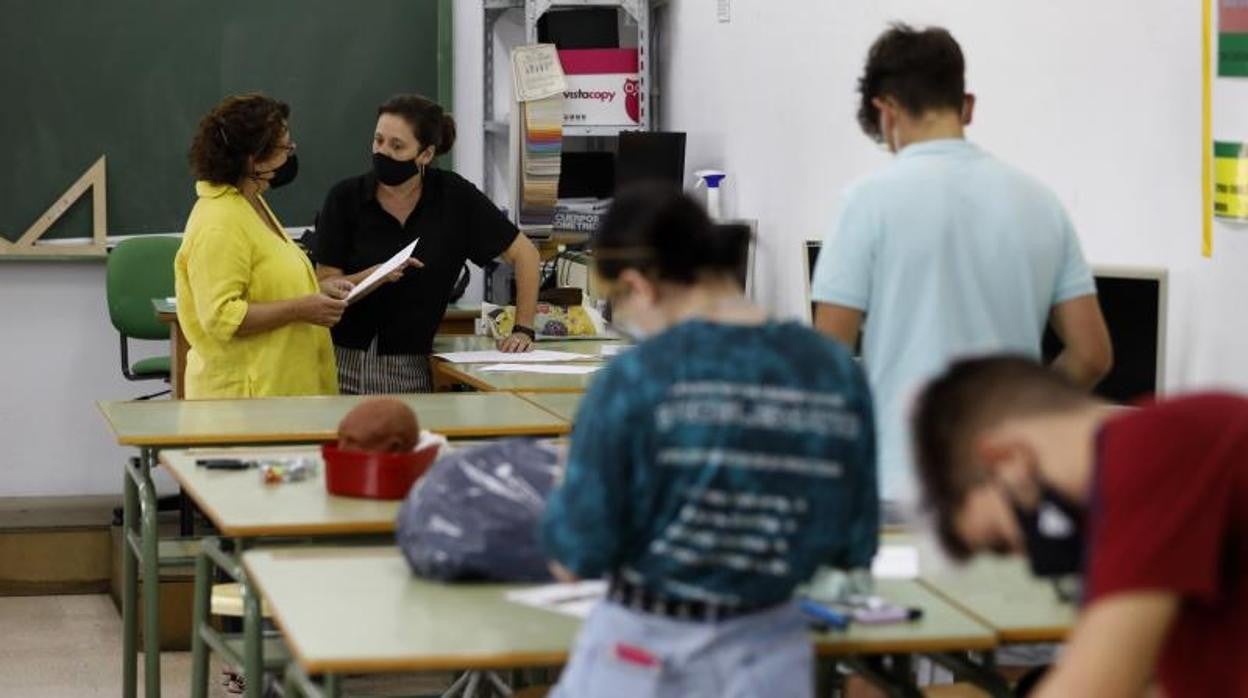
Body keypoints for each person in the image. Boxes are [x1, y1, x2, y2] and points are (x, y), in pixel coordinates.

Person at [540, 185, 878, 698]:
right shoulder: (835, 371)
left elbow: (577, 553)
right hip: (773, 657)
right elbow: (855, 545)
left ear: (638, 286)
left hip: (648, 657)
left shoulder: (636, 378)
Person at [811, 24, 1112, 505]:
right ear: (966, 106)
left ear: (886, 111)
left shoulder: (865, 204)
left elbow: (824, 363)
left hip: (902, 485)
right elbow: (1092, 354)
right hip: (1008, 488)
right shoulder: (1040, 203)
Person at [912, 355, 1248, 697]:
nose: (1026, 558)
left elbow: (1092, 687)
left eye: (1001, 541)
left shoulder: (1147, 451)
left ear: (1006, 458)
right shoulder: (1175, 448)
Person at [314, 93, 541, 394]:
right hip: (341, 359)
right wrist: (376, 275)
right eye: (378, 141)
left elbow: (526, 254)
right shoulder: (345, 198)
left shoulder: (454, 197)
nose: (383, 152)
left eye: (397, 146)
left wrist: (523, 329)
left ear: (425, 154)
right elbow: (325, 285)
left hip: (414, 363)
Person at [176, 93, 347, 399]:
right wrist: (302, 308)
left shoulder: (250, 202)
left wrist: (315, 292)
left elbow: (264, 285)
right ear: (253, 159)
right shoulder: (219, 222)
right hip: (245, 402)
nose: (291, 155)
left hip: (282, 391)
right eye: (285, 148)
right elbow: (221, 317)